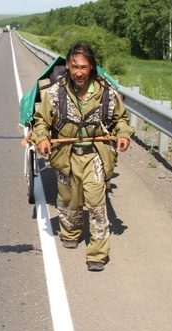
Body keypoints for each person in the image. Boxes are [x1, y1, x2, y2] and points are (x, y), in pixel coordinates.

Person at [31, 42, 134, 272]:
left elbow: (121, 120)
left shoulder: (107, 92)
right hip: (65, 155)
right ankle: (70, 232)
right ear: (67, 66)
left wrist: (123, 134)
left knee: (97, 205)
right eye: (74, 66)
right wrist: (42, 139)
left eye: (84, 67)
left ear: (92, 68)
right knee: (70, 200)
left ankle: (97, 254)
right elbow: (41, 122)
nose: (79, 72)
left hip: (96, 155)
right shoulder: (55, 93)